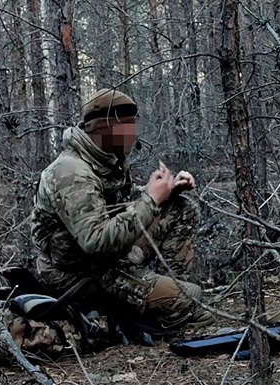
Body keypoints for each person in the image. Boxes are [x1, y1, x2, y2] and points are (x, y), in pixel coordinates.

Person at [30, 88, 213, 331]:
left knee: (181, 208)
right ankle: (147, 314)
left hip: (110, 259)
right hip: (77, 274)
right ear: (104, 126)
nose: (133, 132)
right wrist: (150, 199)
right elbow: (95, 242)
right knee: (192, 301)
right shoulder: (70, 172)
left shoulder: (105, 158)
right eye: (127, 124)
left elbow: (115, 205)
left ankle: (166, 298)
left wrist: (167, 192)